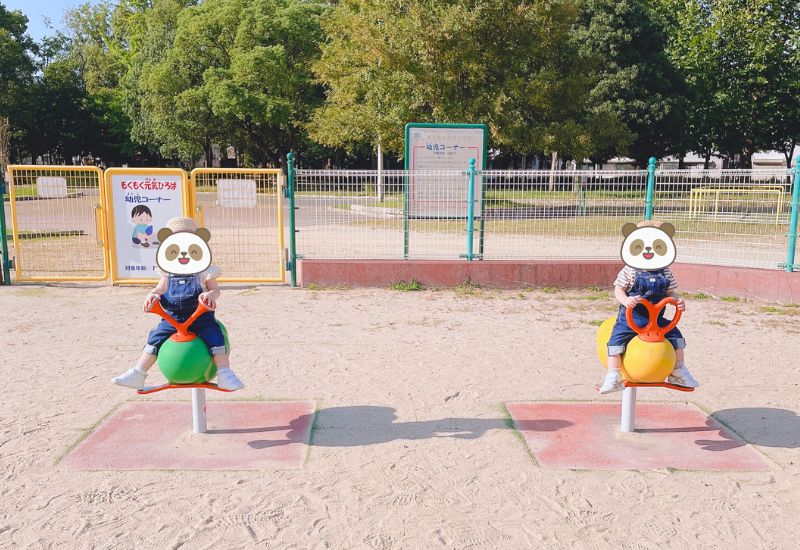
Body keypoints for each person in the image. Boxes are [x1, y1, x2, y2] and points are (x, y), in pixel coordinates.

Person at [112, 217, 244, 391]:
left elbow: (216, 290)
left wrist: (210, 294)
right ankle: (139, 372)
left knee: (216, 338)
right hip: (172, 318)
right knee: (154, 339)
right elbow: (160, 289)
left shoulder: (204, 270)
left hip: (200, 317)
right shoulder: (167, 270)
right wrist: (152, 295)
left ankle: (225, 373)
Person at [599, 220, 700, 393]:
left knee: (677, 338)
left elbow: (671, 293)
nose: (648, 249)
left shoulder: (665, 271)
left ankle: (678, 370)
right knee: (616, 340)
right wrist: (625, 301)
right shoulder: (629, 270)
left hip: (657, 320)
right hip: (632, 318)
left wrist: (677, 300)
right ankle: (613, 375)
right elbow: (618, 290)